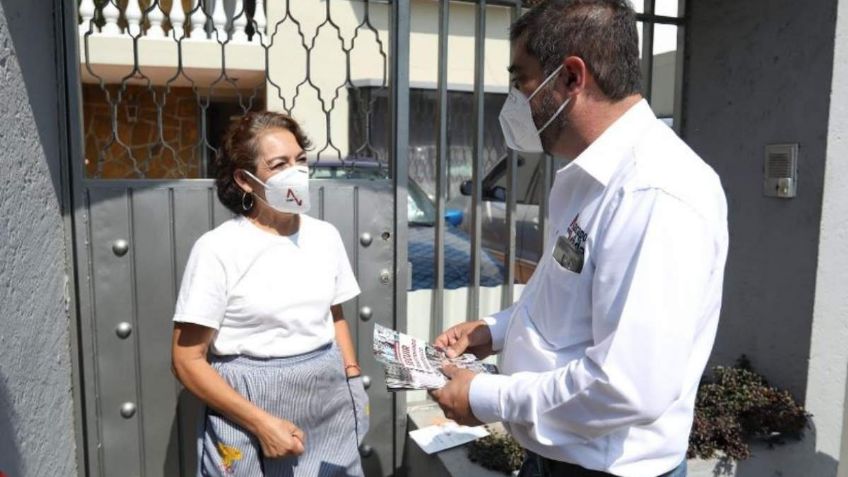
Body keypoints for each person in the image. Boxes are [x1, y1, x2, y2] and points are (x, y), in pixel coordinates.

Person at [430, 1, 728, 476]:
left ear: (571, 77)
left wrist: (484, 396)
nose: (515, 101)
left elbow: (627, 385)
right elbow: (567, 301)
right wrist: (496, 329)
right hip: (556, 457)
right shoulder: (589, 176)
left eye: (520, 80)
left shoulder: (656, 191)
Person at [171, 111, 369, 477]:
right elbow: (187, 360)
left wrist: (353, 380)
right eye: (279, 165)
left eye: (301, 160)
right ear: (245, 181)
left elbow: (334, 315)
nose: (296, 172)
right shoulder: (217, 249)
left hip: (328, 397)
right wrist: (261, 423)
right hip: (246, 408)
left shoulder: (325, 237)